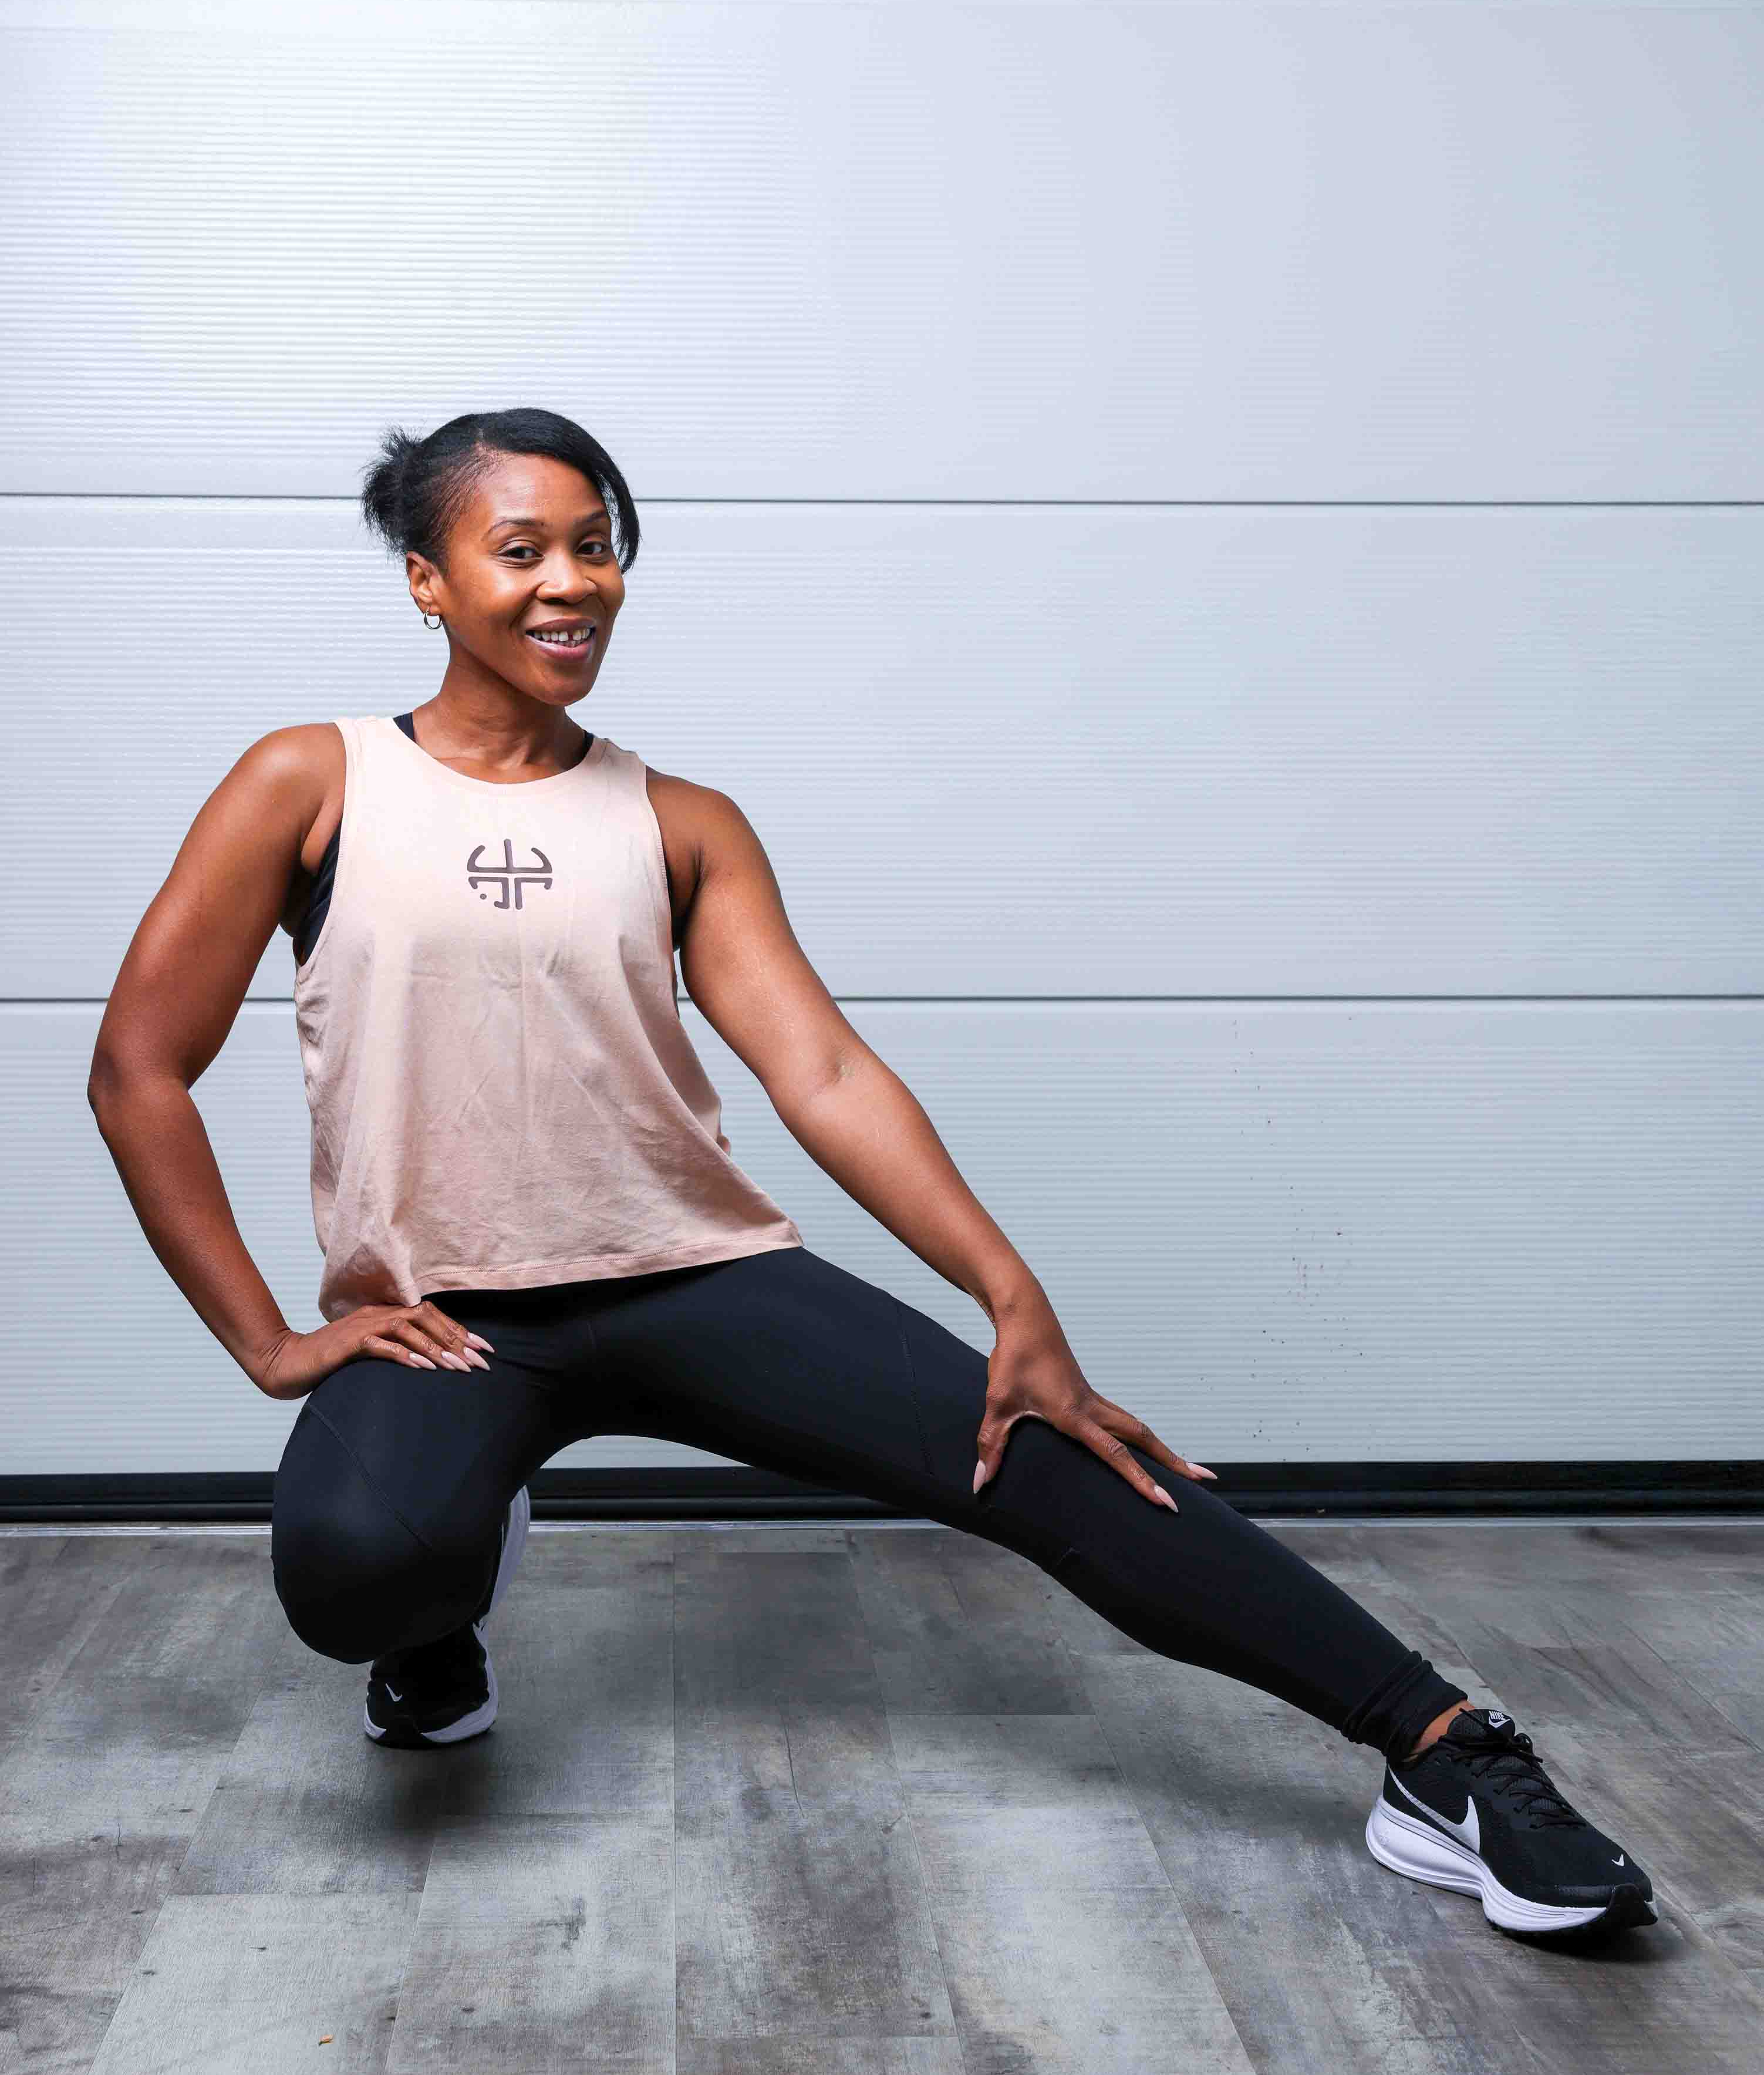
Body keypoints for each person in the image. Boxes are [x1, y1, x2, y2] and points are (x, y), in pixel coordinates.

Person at [87, 405, 1657, 1944]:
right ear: (427, 580)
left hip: (693, 1275)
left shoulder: (679, 822)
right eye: (522, 550)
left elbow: (823, 1074)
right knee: (359, 1572)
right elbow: (138, 1066)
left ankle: (1445, 1750)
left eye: (598, 546)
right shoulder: (316, 780)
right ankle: (442, 1600)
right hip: (455, 1319)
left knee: (1050, 1451)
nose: (572, 582)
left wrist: (1010, 1291)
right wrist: (268, 1340)